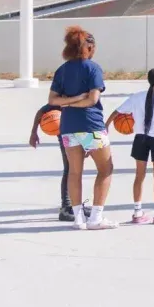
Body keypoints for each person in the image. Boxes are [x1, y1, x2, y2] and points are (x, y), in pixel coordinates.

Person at [48, 25, 115, 230]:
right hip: (90, 126)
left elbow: (52, 100)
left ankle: (78, 218)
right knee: (105, 169)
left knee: (74, 172)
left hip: (68, 127)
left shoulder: (62, 70)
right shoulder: (93, 68)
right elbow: (92, 100)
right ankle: (96, 217)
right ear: (90, 47)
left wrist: (68, 102)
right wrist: (79, 99)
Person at [105, 68, 154, 224]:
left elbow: (116, 112)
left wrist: (105, 126)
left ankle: (137, 213)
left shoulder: (137, 97)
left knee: (139, 176)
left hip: (140, 138)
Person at [26, 103, 72, 222]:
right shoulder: (64, 92)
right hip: (67, 135)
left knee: (77, 169)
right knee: (71, 168)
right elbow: (41, 111)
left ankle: (75, 205)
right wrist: (33, 132)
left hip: (85, 131)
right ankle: (66, 207)